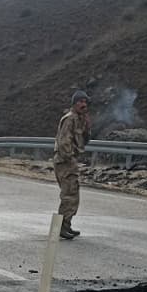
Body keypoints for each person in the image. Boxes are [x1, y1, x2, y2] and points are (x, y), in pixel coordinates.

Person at [53, 91, 92, 240]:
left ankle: (66, 224)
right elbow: (64, 142)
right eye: (80, 102)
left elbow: (84, 141)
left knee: (73, 194)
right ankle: (60, 227)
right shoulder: (69, 119)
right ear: (74, 103)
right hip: (65, 162)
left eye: (85, 102)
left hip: (70, 161)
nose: (84, 105)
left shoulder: (80, 120)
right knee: (69, 195)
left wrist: (88, 127)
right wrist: (70, 159)